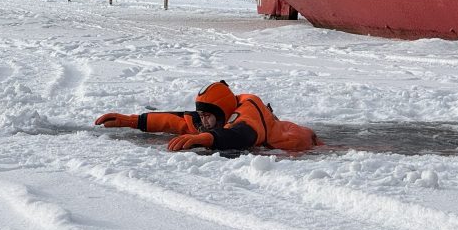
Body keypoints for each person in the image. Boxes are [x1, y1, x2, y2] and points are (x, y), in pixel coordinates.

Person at [94, 80, 319, 152]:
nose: (203, 121)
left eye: (207, 116)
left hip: (299, 141)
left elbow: (243, 135)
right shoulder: (216, 117)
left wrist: (207, 139)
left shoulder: (247, 113)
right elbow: (179, 121)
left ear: (221, 113)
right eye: (201, 115)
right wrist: (131, 121)